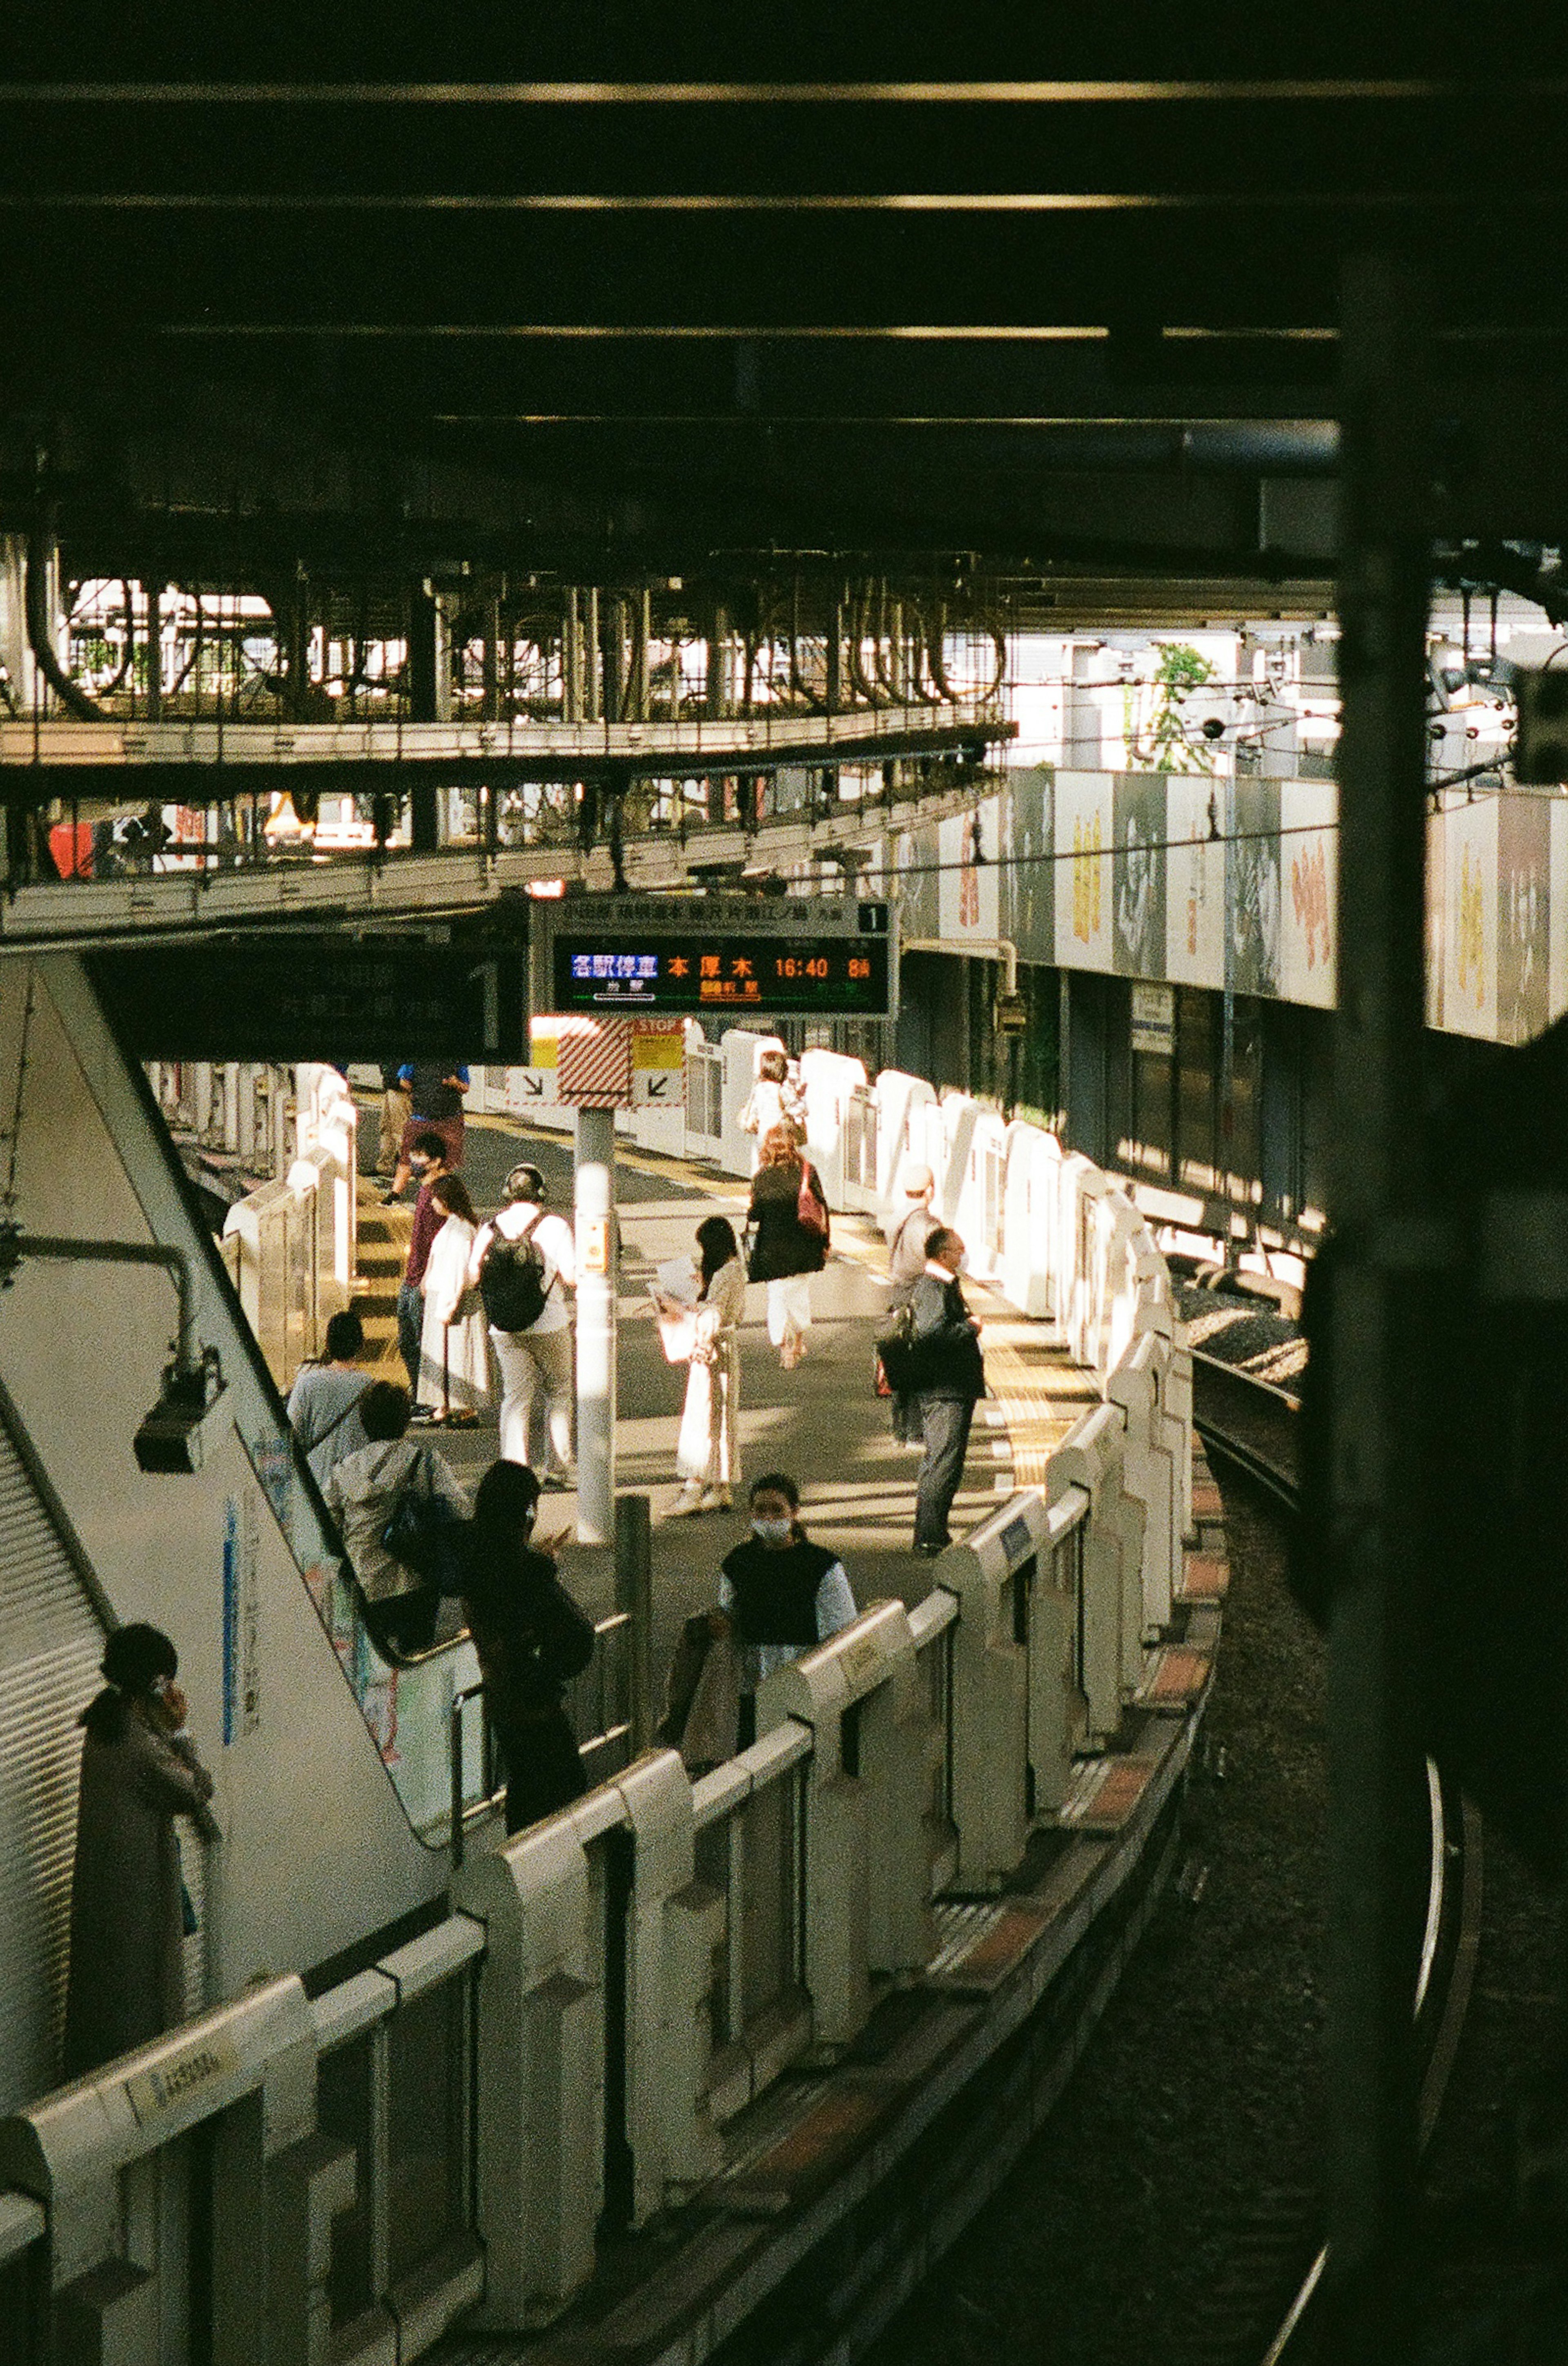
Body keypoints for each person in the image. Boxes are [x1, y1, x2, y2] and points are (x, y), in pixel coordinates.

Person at [62, 1624, 220, 2079]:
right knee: (142, 2019)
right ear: (156, 1684)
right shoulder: (141, 1747)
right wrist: (181, 1731)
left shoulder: (103, 1725)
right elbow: (196, 1790)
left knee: (100, 2016)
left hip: (103, 1899)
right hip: (137, 1906)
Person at [461, 1461, 597, 1834]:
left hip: (502, 1698)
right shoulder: (531, 1571)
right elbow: (578, 1635)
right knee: (563, 1796)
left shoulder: (474, 1559)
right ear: (525, 1512)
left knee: (523, 1793)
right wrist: (545, 1566)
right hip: (536, 1700)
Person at [324, 1380, 471, 1656]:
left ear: (364, 1422)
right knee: (417, 1657)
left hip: (364, 1582)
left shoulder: (344, 1471)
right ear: (405, 1420)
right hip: (416, 1581)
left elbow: (327, 1529)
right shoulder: (425, 1463)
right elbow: (460, 1511)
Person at [717, 1474, 857, 1749]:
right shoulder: (737, 1563)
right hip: (752, 1686)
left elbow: (842, 1627)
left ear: (794, 1512)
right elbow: (727, 1615)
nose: (768, 1518)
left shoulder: (823, 1566)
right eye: (760, 1510)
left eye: (777, 1510)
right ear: (751, 1513)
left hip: (806, 1681)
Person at [468, 1162, 577, 1484]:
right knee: (558, 1392)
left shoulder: (490, 1229)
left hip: (504, 1327)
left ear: (508, 1193)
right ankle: (558, 1468)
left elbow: (473, 1276)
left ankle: (515, 1472)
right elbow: (572, 1277)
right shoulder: (555, 1226)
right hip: (550, 1323)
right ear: (541, 1193)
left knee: (516, 1398)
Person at [909, 1225, 987, 1557]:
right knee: (942, 1462)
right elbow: (930, 1334)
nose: (963, 1255)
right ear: (943, 1255)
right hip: (945, 1390)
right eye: (958, 1250)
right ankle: (929, 1535)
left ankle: (935, 1531)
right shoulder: (933, 1289)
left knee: (946, 1461)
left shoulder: (942, 1286)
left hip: (952, 1388)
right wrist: (968, 1328)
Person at [665, 1215, 746, 1515]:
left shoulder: (725, 1275)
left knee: (701, 1417)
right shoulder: (736, 1270)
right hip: (727, 1348)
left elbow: (713, 1315)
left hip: (710, 1351)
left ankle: (694, 1488)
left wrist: (681, 1310)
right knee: (722, 1418)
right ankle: (721, 1487)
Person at [745, 1124, 829, 1370]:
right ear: (792, 1146)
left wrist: (753, 1208)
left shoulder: (762, 1177)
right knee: (799, 1294)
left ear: (769, 1148)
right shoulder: (807, 1171)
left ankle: (784, 1349)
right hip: (804, 1247)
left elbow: (755, 1215)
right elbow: (822, 1207)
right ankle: (799, 1340)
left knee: (778, 1298)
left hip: (773, 1250)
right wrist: (825, 1242)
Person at [416, 1172, 489, 1422]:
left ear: (448, 1200)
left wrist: (447, 1307)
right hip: (444, 1295)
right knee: (448, 1354)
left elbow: (457, 1271)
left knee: (457, 1355)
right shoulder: (454, 1225)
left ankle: (463, 1405)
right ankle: (446, 1404)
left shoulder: (462, 1230)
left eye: (437, 1199)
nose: (433, 1203)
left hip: (453, 1299)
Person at [287, 1309, 373, 1487]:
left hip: (317, 1481)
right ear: (360, 1345)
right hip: (356, 1483)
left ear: (327, 1344)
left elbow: (292, 1432)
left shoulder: (307, 1383)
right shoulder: (371, 1387)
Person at [394, 1131, 450, 1406]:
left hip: (424, 1281)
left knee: (422, 1344)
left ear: (436, 1161)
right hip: (412, 1277)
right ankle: (419, 1394)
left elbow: (442, 1241)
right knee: (407, 1343)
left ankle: (428, 1399)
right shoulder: (425, 1190)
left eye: (421, 1157)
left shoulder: (441, 1194)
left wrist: (428, 1277)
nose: (415, 1161)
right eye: (413, 1155)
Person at [883, 1164, 937, 1446]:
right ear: (930, 1190)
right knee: (921, 1365)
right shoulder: (927, 1224)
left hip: (898, 1297)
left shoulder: (895, 1219)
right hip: (921, 1297)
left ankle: (900, 1431)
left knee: (900, 1364)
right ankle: (917, 1431)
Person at [385, 1059, 470, 1199]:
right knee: (408, 1155)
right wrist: (419, 1092)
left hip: (449, 1116)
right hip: (422, 1116)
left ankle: (441, 1194)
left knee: (449, 1158)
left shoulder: (458, 1059)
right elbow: (403, 1080)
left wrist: (455, 1083)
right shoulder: (417, 1057)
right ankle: (395, 1194)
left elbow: (466, 1087)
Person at [737, 1047, 806, 1171]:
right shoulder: (782, 1090)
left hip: (763, 1136)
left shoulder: (759, 1088)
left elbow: (754, 1110)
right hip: (780, 1136)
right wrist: (799, 1095)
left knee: (764, 1166)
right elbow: (801, 1109)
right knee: (782, 1167)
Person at [376, 1061, 412, 1182]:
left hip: (400, 1089)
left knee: (400, 1130)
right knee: (386, 1128)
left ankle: (408, 1168)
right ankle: (384, 1166)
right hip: (391, 1086)